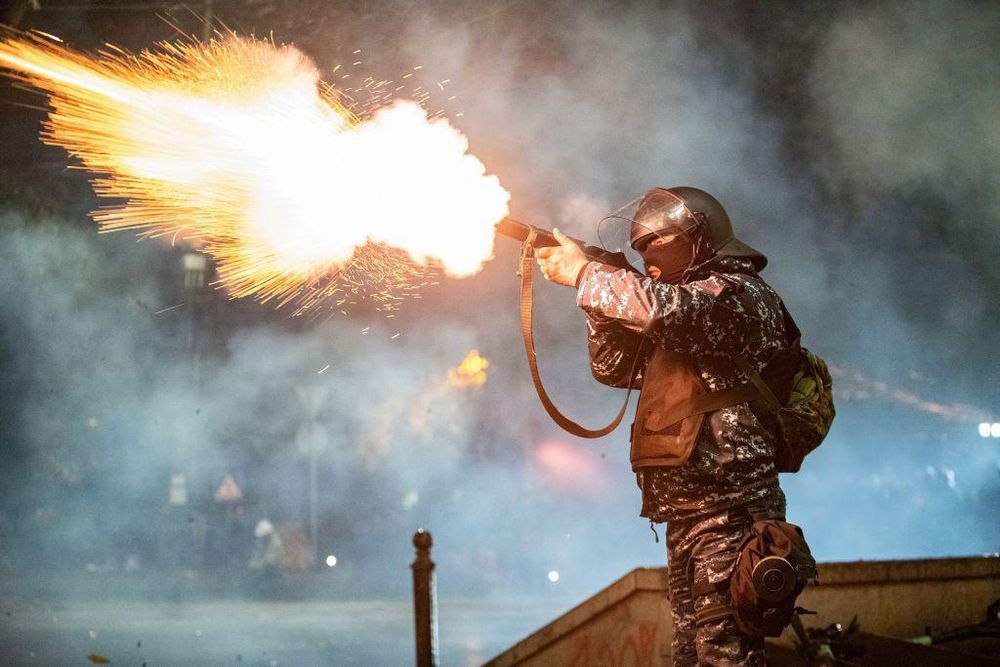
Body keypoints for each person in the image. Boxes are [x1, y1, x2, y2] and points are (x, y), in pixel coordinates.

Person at [536, 187, 791, 666]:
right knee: (692, 658)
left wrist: (586, 275)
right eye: (638, 250)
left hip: (732, 510)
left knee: (726, 656)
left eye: (656, 242)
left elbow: (667, 309)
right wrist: (600, 296)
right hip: (686, 514)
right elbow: (614, 367)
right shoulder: (674, 315)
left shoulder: (740, 294)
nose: (646, 256)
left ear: (700, 235)